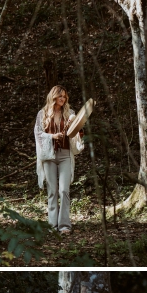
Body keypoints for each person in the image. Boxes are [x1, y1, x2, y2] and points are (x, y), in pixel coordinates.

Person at [34, 86, 85, 232]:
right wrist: (52, 136)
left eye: (64, 96)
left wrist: (78, 130)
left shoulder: (70, 114)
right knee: (52, 190)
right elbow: (38, 134)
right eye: (60, 96)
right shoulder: (42, 113)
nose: (63, 99)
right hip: (49, 156)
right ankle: (52, 225)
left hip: (65, 155)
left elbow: (77, 134)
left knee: (64, 190)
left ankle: (64, 225)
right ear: (53, 97)